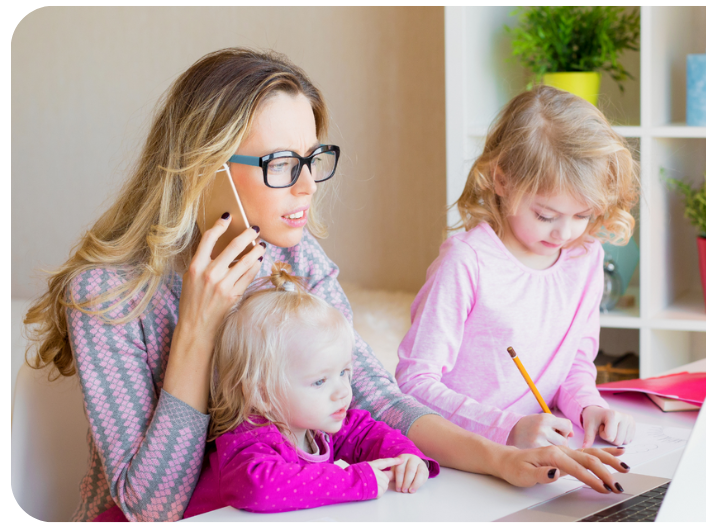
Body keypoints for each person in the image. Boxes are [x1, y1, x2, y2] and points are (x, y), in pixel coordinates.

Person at [24, 48, 630, 523]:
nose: (308, 187)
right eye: (282, 165)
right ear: (201, 166)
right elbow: (152, 508)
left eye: (313, 160)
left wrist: (505, 459)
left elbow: (377, 396)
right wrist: (198, 329)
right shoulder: (107, 293)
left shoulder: (294, 256)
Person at [396, 86, 639, 454]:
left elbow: (574, 364)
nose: (564, 232)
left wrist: (590, 407)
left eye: (583, 215)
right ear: (502, 180)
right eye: (545, 215)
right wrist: (507, 429)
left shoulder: (585, 256)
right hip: (467, 455)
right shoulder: (467, 263)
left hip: (538, 453)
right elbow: (414, 383)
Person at [94, 263, 437, 521]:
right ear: (261, 392)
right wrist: (358, 480)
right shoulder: (249, 438)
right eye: (320, 381)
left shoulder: (318, 421)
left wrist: (407, 457)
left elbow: (368, 432)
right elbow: (260, 488)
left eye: (344, 373)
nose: (342, 393)